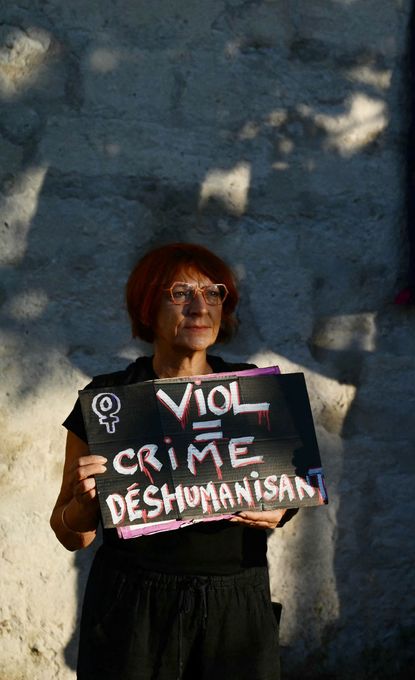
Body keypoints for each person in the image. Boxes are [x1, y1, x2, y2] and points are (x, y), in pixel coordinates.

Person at [51, 243, 289, 679]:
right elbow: (68, 532)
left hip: (235, 605)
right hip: (133, 608)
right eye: (180, 293)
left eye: (213, 293)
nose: (200, 307)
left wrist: (280, 509)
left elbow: (287, 491)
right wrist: (84, 506)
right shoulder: (110, 401)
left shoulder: (250, 393)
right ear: (147, 308)